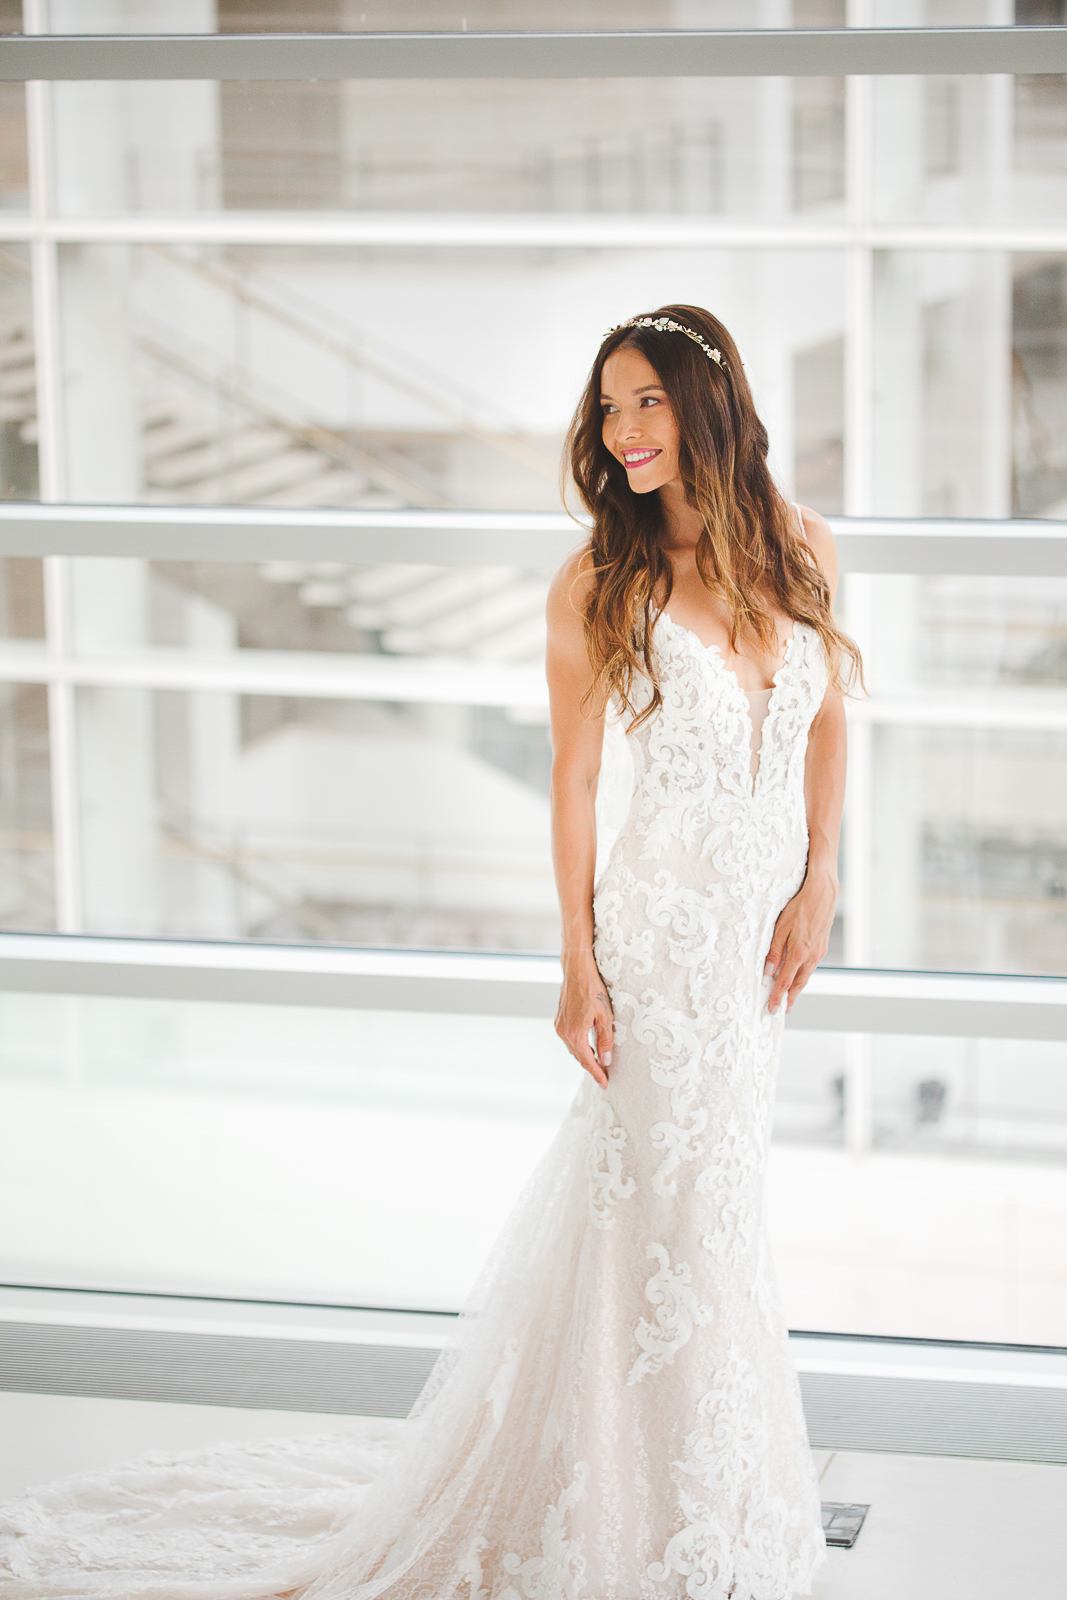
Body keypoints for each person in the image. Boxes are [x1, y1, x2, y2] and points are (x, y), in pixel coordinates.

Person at [0, 305, 860, 1600]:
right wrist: (577, 966)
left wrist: (823, 870)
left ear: (709, 404)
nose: (623, 432)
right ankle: (638, 1520)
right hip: (660, 937)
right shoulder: (600, 581)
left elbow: (829, 719)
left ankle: (706, 1496)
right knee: (675, 1210)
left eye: (646, 402)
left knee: (717, 1209)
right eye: (608, 408)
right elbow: (575, 783)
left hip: (753, 953)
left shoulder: (804, 549)